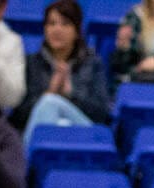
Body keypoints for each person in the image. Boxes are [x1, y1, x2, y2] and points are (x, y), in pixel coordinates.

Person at [15, 0, 112, 145]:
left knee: (51, 103)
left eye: (65, 24)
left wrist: (71, 94)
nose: (57, 29)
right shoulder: (31, 63)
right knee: (60, 122)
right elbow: (19, 115)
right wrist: (50, 91)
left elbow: (101, 114)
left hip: (84, 132)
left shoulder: (92, 64)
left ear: (77, 31)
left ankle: (27, 163)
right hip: (38, 130)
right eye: (51, 23)